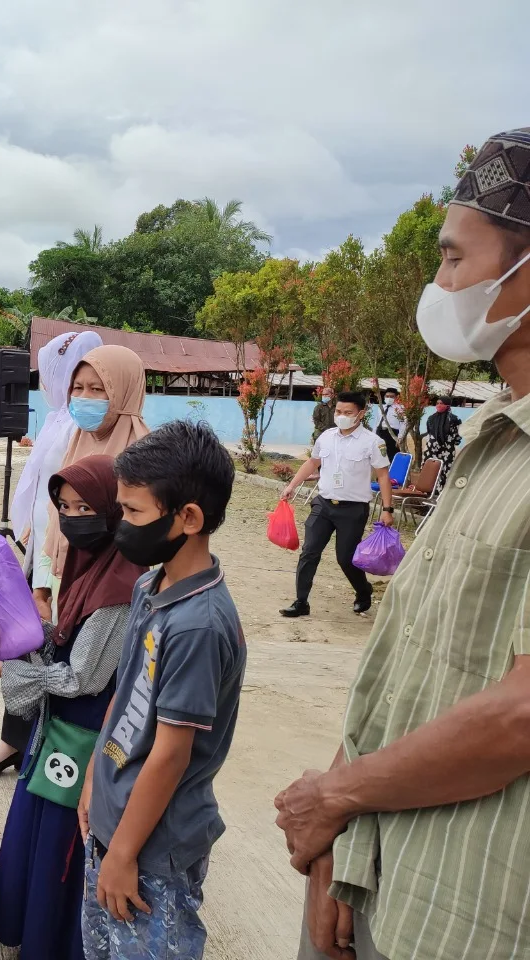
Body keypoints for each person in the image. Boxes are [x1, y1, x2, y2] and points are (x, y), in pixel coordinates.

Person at [276, 128, 530, 960]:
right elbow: (408, 658)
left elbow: (521, 714)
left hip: (466, 921)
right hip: (383, 881)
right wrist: (341, 845)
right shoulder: (497, 433)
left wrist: (336, 795)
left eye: (455, 260)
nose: (440, 284)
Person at [78, 420, 244, 960]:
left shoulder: (199, 624)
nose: (120, 523)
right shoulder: (153, 585)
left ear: (188, 518)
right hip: (115, 821)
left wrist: (123, 853)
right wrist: (93, 780)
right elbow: (125, 691)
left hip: (151, 850)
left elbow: (172, 754)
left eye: (133, 512)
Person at [0, 455, 145, 960]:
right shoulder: (88, 565)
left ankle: (51, 944)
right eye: (64, 507)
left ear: (116, 511)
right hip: (58, 726)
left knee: (60, 842)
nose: (73, 518)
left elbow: (81, 676)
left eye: (86, 507)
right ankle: (27, 927)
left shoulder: (119, 585)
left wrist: (9, 670)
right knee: (36, 826)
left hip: (83, 733)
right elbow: (68, 640)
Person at [0, 328, 103, 781]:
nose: (71, 388)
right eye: (73, 381)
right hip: (45, 556)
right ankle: (14, 741)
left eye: (92, 384)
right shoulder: (59, 421)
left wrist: (44, 578)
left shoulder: (95, 430)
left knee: (61, 659)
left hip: (79, 569)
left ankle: (44, 745)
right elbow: (49, 501)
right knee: (29, 650)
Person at [36, 345, 150, 622]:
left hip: (110, 599)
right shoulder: (76, 442)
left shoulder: (146, 457)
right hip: (62, 579)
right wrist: (42, 584)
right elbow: (56, 519)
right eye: (78, 387)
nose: (83, 397)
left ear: (123, 390)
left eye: (97, 390)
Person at [279, 392, 395, 619]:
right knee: (309, 552)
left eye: (348, 413)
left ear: (360, 414)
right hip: (323, 505)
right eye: (338, 412)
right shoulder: (326, 436)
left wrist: (387, 509)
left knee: (345, 558)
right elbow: (312, 462)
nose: (341, 416)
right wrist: (292, 485)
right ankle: (301, 601)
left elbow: (382, 475)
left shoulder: (372, 442)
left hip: (353, 509)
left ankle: (363, 591)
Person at [422, 395, 462, 491]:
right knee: (430, 469)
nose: (439, 405)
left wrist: (453, 442)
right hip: (431, 449)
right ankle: (428, 490)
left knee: (445, 470)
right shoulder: (431, 418)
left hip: (446, 450)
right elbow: (429, 431)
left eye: (442, 403)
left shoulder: (454, 419)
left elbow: (458, 434)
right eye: (438, 403)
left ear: (447, 405)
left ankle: (441, 492)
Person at [375, 387, 407, 458]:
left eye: (392, 396)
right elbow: (377, 421)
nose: (389, 398)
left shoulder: (400, 409)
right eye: (387, 396)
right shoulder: (381, 407)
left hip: (392, 434)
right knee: (378, 454)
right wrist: (373, 434)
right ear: (384, 397)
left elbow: (403, 423)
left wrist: (400, 437)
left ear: (396, 397)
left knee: (391, 454)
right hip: (380, 432)